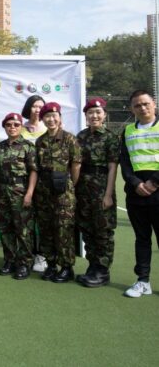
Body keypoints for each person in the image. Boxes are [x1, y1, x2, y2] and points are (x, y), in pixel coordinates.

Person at [35, 102, 81, 283]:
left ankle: (67, 267)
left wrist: (69, 185)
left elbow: (76, 165)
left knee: (63, 229)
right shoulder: (40, 141)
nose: (51, 119)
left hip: (63, 191)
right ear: (43, 119)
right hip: (44, 190)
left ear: (60, 118)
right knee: (46, 228)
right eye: (47, 116)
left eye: (54, 116)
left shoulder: (69, 139)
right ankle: (52, 264)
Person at [75, 98, 119, 288]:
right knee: (87, 229)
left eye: (98, 112)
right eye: (90, 113)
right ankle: (93, 266)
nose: (94, 116)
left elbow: (112, 167)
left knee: (103, 231)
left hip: (101, 189)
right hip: (83, 188)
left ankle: (103, 271)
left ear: (104, 115)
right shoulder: (81, 136)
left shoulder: (110, 137)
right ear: (86, 116)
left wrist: (108, 194)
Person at [120, 89, 159, 298]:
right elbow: (125, 162)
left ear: (154, 103)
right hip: (136, 194)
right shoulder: (127, 131)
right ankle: (143, 281)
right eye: (137, 105)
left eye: (145, 104)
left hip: (157, 190)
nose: (142, 108)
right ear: (132, 109)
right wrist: (135, 183)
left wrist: (154, 182)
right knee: (142, 239)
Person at [0, 113, 37, 280]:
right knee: (6, 229)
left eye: (16, 124)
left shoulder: (28, 146)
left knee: (23, 230)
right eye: (8, 125)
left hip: (21, 192)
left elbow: (34, 171)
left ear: (21, 126)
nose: (12, 127)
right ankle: (10, 260)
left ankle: (25, 263)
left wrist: (29, 193)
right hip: (3, 192)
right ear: (5, 127)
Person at [21, 95, 47, 273]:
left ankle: (42, 255)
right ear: (28, 108)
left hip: (45, 181)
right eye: (34, 106)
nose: (37, 110)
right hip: (23, 182)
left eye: (40, 107)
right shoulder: (19, 128)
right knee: (26, 221)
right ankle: (26, 254)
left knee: (44, 220)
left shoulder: (49, 127)